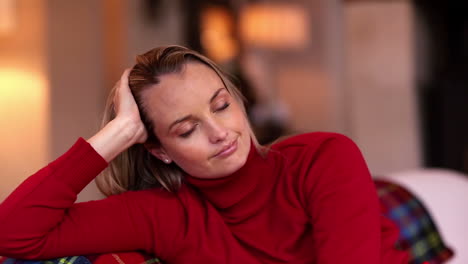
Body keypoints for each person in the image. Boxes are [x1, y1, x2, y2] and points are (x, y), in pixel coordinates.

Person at [0, 45, 408, 263]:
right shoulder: (162, 216)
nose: (220, 133)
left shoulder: (323, 157)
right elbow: (12, 232)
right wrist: (116, 134)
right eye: (187, 129)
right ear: (159, 150)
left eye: (220, 105)